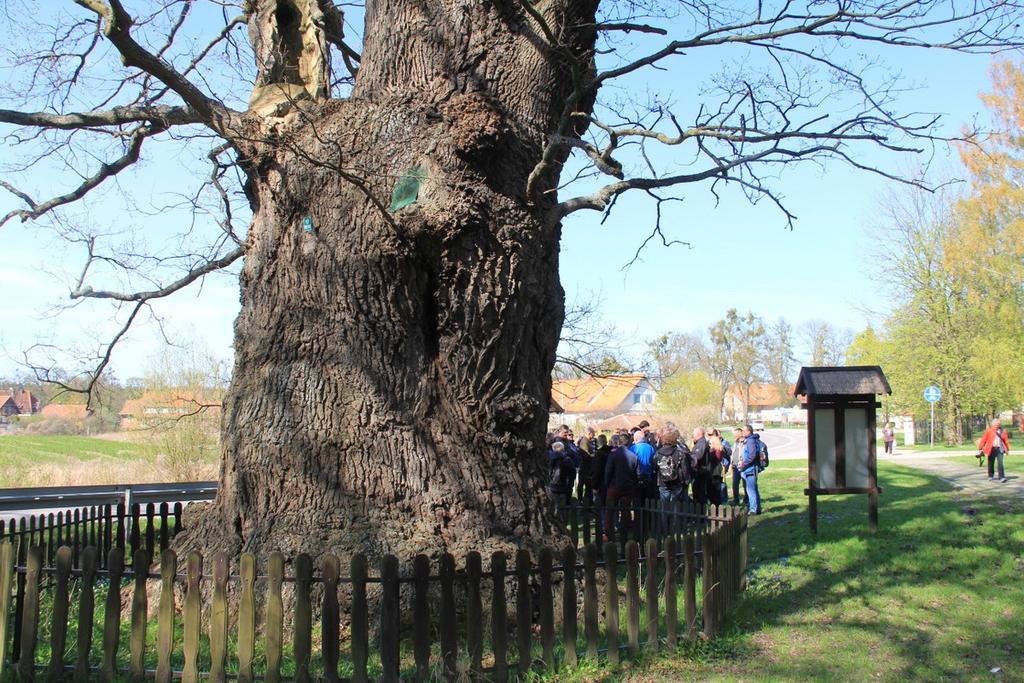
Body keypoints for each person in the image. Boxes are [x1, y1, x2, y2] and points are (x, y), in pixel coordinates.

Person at [604, 434, 638, 540]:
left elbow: (608, 471)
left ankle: (609, 534)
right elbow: (637, 473)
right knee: (625, 510)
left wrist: (607, 483)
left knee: (610, 510)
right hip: (628, 486)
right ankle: (624, 532)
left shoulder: (613, 455)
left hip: (614, 486)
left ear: (619, 443)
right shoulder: (633, 456)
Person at [652, 427, 691, 502]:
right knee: (675, 504)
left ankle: (665, 514)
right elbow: (684, 468)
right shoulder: (679, 453)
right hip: (677, 481)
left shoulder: (658, 453)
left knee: (664, 504)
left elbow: (655, 467)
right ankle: (674, 514)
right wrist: (686, 481)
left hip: (662, 481)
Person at [978, 418, 1011, 483]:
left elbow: (1006, 441)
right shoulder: (989, 431)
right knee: (991, 463)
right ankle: (990, 475)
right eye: (995, 424)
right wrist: (980, 448)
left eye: (998, 424)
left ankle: (1002, 477)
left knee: (1000, 463)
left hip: (1000, 449)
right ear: (993, 424)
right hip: (991, 449)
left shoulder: (1003, 431)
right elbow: (984, 439)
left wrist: (1007, 449)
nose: (997, 425)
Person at [739, 424, 763, 514]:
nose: (742, 432)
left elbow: (752, 455)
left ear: (749, 431)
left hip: (750, 469)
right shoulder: (749, 440)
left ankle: (753, 509)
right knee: (753, 489)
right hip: (749, 468)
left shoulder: (750, 441)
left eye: (743, 431)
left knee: (751, 490)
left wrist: (743, 464)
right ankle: (757, 508)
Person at [630, 428, 657, 502]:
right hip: (648, 477)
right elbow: (654, 462)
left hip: (636, 478)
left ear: (635, 439)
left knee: (637, 500)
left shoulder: (633, 448)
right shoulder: (650, 448)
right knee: (647, 500)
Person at [690, 427, 714, 505]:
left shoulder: (701, 443)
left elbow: (697, 456)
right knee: (698, 493)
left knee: (699, 494)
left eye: (693, 434)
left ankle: (700, 512)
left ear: (698, 434)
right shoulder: (700, 443)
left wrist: (688, 458)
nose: (692, 436)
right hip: (700, 472)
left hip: (701, 473)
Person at [730, 427, 747, 506]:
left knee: (745, 484)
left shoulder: (744, 442)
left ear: (740, 434)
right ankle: (736, 500)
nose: (734, 435)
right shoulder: (735, 442)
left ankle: (746, 500)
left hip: (742, 466)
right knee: (735, 484)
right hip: (735, 466)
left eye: (736, 434)